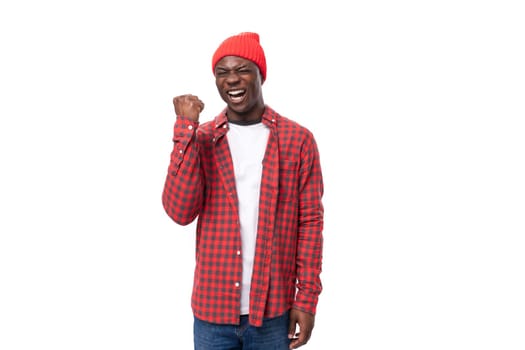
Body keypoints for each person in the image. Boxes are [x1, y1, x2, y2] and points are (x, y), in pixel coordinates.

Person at [162, 32, 324, 350]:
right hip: (213, 314)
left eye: (242, 69)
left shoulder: (297, 140)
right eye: (222, 72)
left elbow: (310, 225)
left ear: (260, 74)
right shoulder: (203, 138)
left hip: (273, 312)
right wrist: (185, 128)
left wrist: (306, 299)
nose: (232, 80)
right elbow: (179, 211)